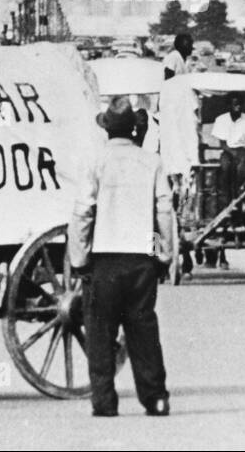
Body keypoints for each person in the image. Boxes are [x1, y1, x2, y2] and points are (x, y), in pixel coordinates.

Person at [69, 96, 174, 417]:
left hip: (105, 260)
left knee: (100, 331)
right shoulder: (151, 162)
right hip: (141, 260)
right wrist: (165, 255)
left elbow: (83, 214)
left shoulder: (95, 162)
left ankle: (104, 402)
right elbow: (164, 212)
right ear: (133, 129)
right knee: (143, 330)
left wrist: (79, 259)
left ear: (107, 131)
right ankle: (156, 398)